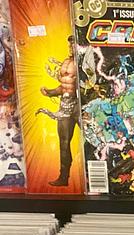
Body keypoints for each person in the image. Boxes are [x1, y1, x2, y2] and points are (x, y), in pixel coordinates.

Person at [38, 36, 78, 187]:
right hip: (65, 105)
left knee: (94, 140)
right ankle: (63, 177)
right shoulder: (66, 62)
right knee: (64, 143)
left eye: (73, 45)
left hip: (82, 105)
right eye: (69, 45)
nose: (71, 48)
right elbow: (64, 87)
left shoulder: (87, 61)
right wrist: (50, 92)